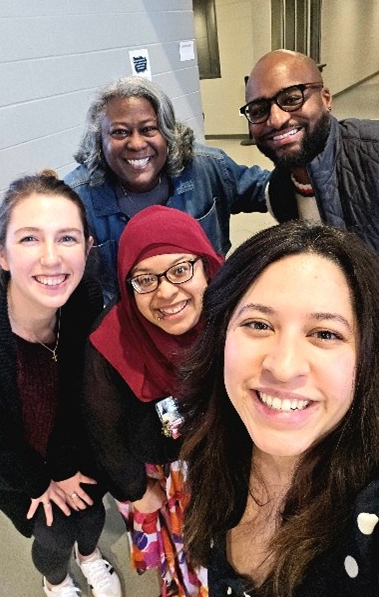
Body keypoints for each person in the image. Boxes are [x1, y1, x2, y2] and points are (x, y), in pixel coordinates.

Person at [180, 220, 379, 596]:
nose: (283, 367)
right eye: (258, 324)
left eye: (325, 334)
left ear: (368, 360)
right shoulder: (215, 450)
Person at [0, 171, 122, 597]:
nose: (51, 258)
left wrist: (69, 462)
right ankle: (56, 580)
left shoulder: (83, 297)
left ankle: (90, 556)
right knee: (53, 532)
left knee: (91, 512)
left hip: (68, 437)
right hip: (11, 459)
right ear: (2, 253)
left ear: (87, 247)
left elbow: (81, 386)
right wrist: (40, 482)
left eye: (67, 238)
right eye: (29, 238)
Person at [83, 205, 223, 596]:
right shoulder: (111, 342)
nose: (166, 292)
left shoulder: (236, 315)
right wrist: (136, 490)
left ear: (206, 266)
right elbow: (103, 432)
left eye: (180, 270)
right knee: (195, 560)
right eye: (145, 279)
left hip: (234, 459)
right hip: (167, 476)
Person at [64, 75, 269, 304]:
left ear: (168, 133)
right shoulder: (76, 198)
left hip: (207, 306)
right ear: (99, 141)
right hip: (126, 317)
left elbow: (272, 192)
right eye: (120, 132)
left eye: (149, 129)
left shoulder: (206, 167)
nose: (137, 144)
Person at [240, 49, 379, 291]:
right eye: (258, 110)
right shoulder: (278, 194)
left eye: (291, 99)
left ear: (326, 99)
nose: (276, 119)